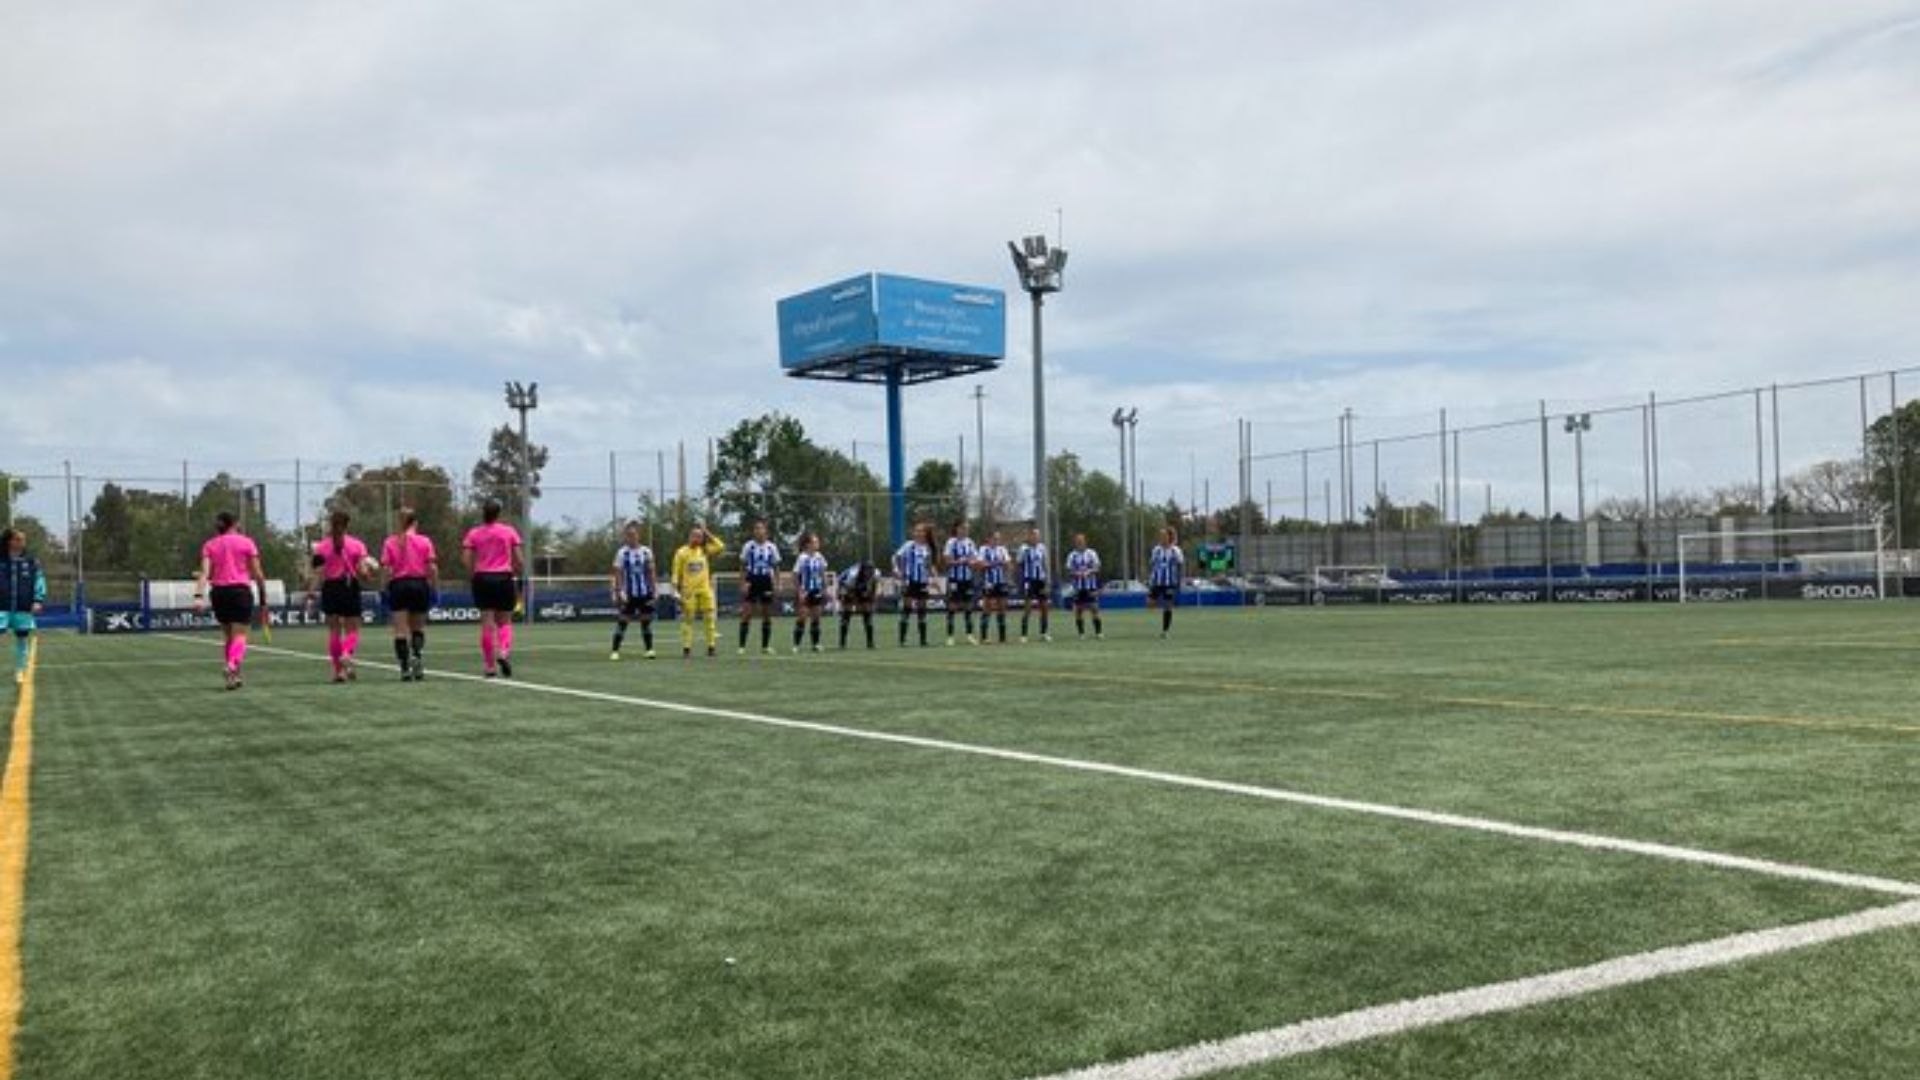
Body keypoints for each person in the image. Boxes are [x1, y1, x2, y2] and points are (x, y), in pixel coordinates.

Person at [192, 511, 269, 690]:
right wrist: (264, 598)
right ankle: (232, 665)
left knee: (229, 637)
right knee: (240, 636)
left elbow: (205, 574)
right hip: (240, 592)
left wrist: (198, 597)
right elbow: (258, 573)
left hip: (219, 593)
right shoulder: (246, 542)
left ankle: (233, 678)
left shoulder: (209, 545)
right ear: (234, 524)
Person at [307, 510, 372, 683]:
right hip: (349, 586)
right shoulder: (357, 545)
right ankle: (346, 654)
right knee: (353, 629)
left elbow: (318, 573)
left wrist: (311, 592)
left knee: (334, 631)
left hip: (330, 588)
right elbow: (363, 570)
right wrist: (367, 574)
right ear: (347, 525)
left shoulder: (321, 547)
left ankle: (339, 672)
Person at [462, 500, 525, 678]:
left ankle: (490, 666)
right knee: (505, 622)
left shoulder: (474, 533)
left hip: (482, 577)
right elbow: (519, 560)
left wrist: (473, 575)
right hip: (503, 577)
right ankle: (503, 652)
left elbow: (466, 559)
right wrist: (515, 572)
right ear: (499, 514)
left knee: (487, 623)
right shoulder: (508, 531)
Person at [381, 508, 438, 681]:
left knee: (400, 631)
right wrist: (433, 587)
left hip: (399, 585)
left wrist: (384, 588)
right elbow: (432, 567)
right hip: (419, 584)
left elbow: (386, 569)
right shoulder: (425, 541)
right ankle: (417, 656)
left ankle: (405, 667)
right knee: (418, 629)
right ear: (415, 523)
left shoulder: (390, 542)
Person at [671, 524, 726, 659]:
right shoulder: (681, 552)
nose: (697, 538)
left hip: (705, 590)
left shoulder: (705, 550)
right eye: (695, 535)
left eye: (700, 536)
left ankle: (711, 647)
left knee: (709, 619)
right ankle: (687, 649)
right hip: (688, 591)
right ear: (689, 536)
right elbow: (675, 573)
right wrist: (675, 590)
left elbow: (721, 546)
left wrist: (707, 532)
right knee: (688, 620)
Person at [2, 529, 46, 686]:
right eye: (18, 539)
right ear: (10, 541)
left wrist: (38, 600)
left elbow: (39, 581)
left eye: (23, 539)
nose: (22, 542)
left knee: (22, 639)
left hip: (23, 608)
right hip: (2, 607)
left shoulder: (31, 561)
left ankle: (19, 671)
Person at [609, 521, 658, 661]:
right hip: (628, 593)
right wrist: (619, 591)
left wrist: (654, 589)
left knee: (646, 621)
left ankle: (649, 650)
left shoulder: (646, 551)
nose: (631, 537)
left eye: (634, 534)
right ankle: (615, 651)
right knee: (623, 621)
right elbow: (617, 573)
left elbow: (651, 571)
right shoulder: (621, 553)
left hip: (644, 592)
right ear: (626, 537)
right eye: (629, 535)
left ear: (638, 536)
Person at [737, 521, 781, 655]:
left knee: (767, 614)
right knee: (746, 613)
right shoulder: (748, 546)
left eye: (761, 528)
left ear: (766, 531)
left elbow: (776, 567)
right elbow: (743, 566)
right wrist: (742, 583)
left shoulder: (771, 547)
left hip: (766, 580)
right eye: (756, 528)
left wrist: (777, 583)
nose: (758, 531)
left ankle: (765, 646)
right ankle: (742, 646)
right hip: (752, 579)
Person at [893, 523, 935, 647]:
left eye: (921, 531)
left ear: (925, 534)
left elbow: (928, 564)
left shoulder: (927, 548)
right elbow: (896, 557)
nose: (919, 533)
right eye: (917, 531)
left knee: (922, 610)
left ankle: (923, 640)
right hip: (909, 581)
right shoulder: (908, 545)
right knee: (907, 609)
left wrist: (932, 574)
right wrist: (897, 569)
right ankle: (902, 640)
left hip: (922, 581)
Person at [941, 520, 980, 646]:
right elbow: (947, 561)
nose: (965, 530)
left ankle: (969, 635)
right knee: (952, 606)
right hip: (954, 579)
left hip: (967, 579)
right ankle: (950, 636)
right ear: (957, 529)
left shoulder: (970, 543)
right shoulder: (951, 542)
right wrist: (961, 561)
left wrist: (973, 563)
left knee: (968, 607)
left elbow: (975, 559)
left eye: (967, 528)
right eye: (963, 528)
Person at [790, 532, 829, 654]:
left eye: (817, 542)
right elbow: (795, 575)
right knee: (802, 617)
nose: (817, 544)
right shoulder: (802, 558)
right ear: (808, 544)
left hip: (816, 590)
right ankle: (796, 645)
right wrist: (799, 591)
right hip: (805, 591)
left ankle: (815, 644)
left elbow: (823, 573)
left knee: (816, 618)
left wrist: (825, 588)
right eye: (815, 542)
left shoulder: (819, 557)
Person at [1149, 527, 1185, 638]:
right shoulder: (1156, 550)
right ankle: (1162, 619)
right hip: (1157, 582)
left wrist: (1179, 582)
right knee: (1150, 604)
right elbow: (1152, 564)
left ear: (1170, 537)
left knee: (1168, 606)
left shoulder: (1176, 550)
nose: (1162, 537)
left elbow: (1180, 565)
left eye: (1164, 535)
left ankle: (1165, 631)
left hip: (1170, 582)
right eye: (1161, 535)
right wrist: (1151, 579)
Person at [977, 530, 1012, 645]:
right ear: (989, 539)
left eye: (998, 539)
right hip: (989, 582)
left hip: (1001, 582)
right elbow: (980, 564)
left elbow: (1008, 564)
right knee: (988, 608)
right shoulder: (983, 549)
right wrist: (996, 563)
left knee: (1002, 608)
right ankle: (984, 637)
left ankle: (1002, 638)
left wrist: (1004, 564)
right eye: (995, 538)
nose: (997, 541)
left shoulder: (1002, 549)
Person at [1067, 533, 1104, 640]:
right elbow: (1069, 571)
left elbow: (1097, 568)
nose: (1080, 542)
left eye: (1081, 540)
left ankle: (1099, 633)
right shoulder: (1072, 555)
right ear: (1075, 542)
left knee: (1094, 609)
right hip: (1078, 587)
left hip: (1090, 586)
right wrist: (1076, 574)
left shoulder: (1092, 553)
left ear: (1085, 541)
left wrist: (1089, 572)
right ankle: (1081, 634)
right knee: (1078, 610)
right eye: (1078, 541)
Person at [1017, 528, 1051, 643]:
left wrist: (1046, 581)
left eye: (1037, 535)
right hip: (1029, 580)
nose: (1036, 537)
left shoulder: (1042, 548)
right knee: (1028, 608)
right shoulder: (1023, 549)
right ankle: (1024, 634)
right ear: (1029, 536)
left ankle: (1044, 633)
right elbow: (1019, 565)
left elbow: (1044, 564)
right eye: (1034, 535)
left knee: (1044, 607)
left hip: (1040, 580)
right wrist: (1021, 581)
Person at [837, 559, 878, 649]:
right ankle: (842, 642)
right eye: (867, 570)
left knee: (867, 612)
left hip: (860, 586)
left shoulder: (876, 574)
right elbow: (848, 589)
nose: (869, 573)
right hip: (845, 585)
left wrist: (872, 599)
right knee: (847, 612)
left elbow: (874, 587)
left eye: (870, 570)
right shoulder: (853, 575)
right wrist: (855, 602)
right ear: (862, 570)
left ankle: (870, 642)